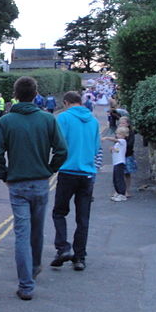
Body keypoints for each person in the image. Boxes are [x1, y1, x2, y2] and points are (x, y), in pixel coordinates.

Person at [0, 76, 67, 301]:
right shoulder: (47, 119)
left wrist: (4, 174)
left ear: (15, 95)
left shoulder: (7, 121)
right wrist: (50, 169)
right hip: (41, 182)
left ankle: (26, 285)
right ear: (36, 94)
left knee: (21, 234)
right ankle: (34, 266)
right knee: (37, 228)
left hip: (17, 184)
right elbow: (62, 151)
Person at [50, 91, 100, 272]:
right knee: (83, 218)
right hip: (87, 174)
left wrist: (53, 166)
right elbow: (96, 150)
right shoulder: (94, 121)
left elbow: (58, 145)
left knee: (59, 213)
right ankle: (79, 257)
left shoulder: (63, 118)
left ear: (66, 103)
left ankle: (63, 248)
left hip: (67, 171)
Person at [103, 126, 129, 202]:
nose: (117, 135)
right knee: (115, 178)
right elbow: (117, 151)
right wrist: (112, 149)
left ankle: (122, 194)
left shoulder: (123, 141)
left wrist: (107, 138)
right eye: (117, 134)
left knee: (119, 178)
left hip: (120, 162)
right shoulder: (118, 144)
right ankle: (118, 192)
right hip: (116, 162)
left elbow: (115, 139)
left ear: (124, 135)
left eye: (119, 134)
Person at [118, 116, 137, 197]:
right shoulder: (118, 132)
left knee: (127, 173)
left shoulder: (130, 133)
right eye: (120, 123)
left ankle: (126, 190)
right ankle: (120, 190)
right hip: (119, 156)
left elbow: (130, 145)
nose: (121, 124)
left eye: (123, 123)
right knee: (119, 174)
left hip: (127, 155)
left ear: (128, 124)